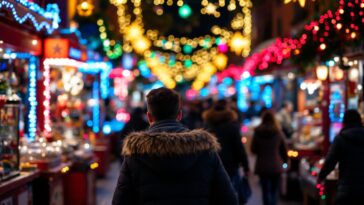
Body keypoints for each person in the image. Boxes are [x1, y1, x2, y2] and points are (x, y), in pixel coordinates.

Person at [112, 88, 238, 205]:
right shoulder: (205, 150)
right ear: (179, 115)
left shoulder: (135, 154)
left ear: (149, 117)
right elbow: (229, 200)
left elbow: (120, 201)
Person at [203, 99, 250, 204]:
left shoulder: (207, 126)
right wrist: (246, 166)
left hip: (211, 165)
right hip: (231, 166)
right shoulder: (232, 127)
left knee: (215, 195)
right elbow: (239, 148)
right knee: (232, 195)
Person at [318, 110, 364, 205]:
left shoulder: (340, 139)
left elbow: (330, 162)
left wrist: (321, 176)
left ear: (344, 122)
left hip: (346, 190)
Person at [251, 110, 288, 205]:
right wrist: (285, 162)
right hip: (276, 165)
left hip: (262, 165)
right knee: (274, 191)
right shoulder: (278, 132)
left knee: (265, 191)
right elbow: (284, 149)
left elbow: (253, 149)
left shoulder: (257, 132)